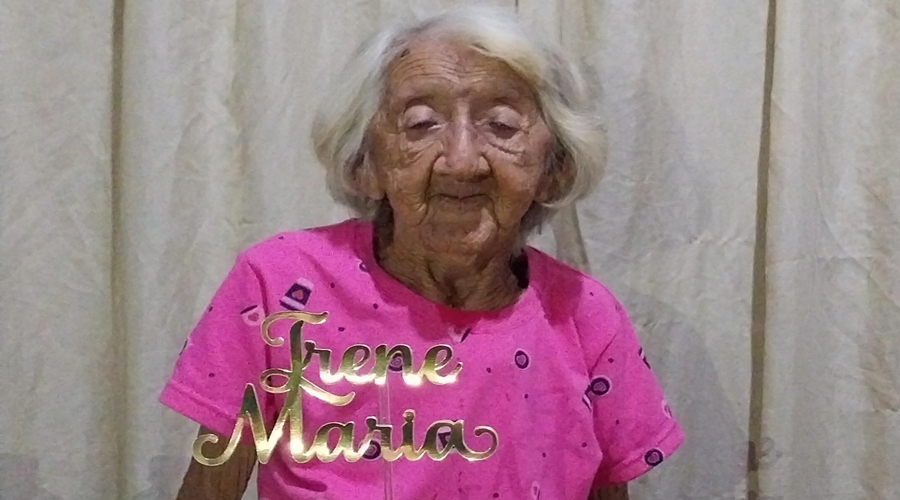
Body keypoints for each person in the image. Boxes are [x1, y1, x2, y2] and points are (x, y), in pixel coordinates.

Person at [161, 7, 684, 500]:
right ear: (364, 163)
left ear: (554, 168)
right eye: (420, 124)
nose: (462, 161)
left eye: (502, 125)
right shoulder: (280, 287)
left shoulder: (586, 317)